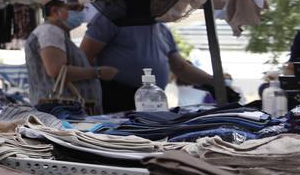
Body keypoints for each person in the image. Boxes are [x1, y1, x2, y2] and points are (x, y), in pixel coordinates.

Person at [81, 14, 221, 113]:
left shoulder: (162, 28)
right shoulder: (109, 18)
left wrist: (214, 82)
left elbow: (181, 67)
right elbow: (83, 56)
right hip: (115, 95)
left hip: (153, 100)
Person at [25, 0, 116, 111]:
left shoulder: (53, 31)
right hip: (65, 112)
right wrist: (97, 72)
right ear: (54, 11)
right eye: (75, 9)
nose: (81, 14)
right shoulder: (50, 31)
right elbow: (57, 71)